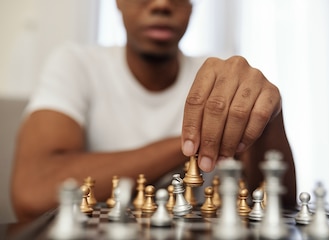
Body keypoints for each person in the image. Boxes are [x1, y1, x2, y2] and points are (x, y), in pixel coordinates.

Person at [11, 0, 296, 222]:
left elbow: (281, 209)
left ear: (192, 7)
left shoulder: (222, 79)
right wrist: (190, 144)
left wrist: (270, 116)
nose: (161, 4)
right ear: (118, 2)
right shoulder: (75, 65)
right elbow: (32, 193)